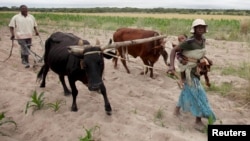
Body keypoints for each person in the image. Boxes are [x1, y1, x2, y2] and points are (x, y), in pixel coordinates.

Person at [167, 19, 216, 131]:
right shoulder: (189, 42)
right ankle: (197, 122)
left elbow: (201, 53)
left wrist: (207, 59)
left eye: (202, 27)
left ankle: (176, 111)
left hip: (197, 70)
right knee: (199, 94)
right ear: (193, 29)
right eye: (198, 27)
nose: (200, 29)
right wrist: (172, 66)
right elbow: (174, 50)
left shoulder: (203, 40)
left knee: (187, 90)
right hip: (189, 72)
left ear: (205, 29)